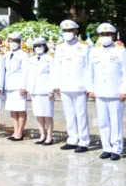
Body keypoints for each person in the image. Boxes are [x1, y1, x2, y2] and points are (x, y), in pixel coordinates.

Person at [88, 23, 125, 161]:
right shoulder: (93, 51)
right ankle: (106, 148)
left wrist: (124, 90)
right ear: (99, 36)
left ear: (113, 36)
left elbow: (125, 71)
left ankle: (116, 148)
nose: (105, 37)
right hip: (100, 92)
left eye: (108, 34)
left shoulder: (120, 51)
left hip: (116, 92)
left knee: (116, 122)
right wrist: (90, 88)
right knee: (103, 122)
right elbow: (89, 72)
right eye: (102, 35)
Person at [54, 19, 91, 153]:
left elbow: (88, 68)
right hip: (64, 85)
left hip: (80, 85)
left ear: (75, 32)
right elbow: (56, 67)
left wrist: (89, 86)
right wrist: (56, 84)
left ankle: (84, 141)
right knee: (69, 114)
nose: (67, 33)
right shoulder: (59, 47)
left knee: (81, 114)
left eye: (70, 31)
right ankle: (72, 139)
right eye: (65, 31)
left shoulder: (84, 47)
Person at [27, 37, 55, 146]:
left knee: (47, 114)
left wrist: (51, 90)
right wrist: (29, 90)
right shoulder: (31, 59)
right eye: (36, 46)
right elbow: (30, 76)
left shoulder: (49, 58)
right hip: (35, 91)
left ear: (45, 47)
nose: (38, 48)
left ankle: (49, 136)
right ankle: (42, 135)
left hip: (46, 90)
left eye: (40, 46)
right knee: (38, 114)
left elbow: (53, 75)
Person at [4, 32, 29, 141]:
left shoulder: (24, 54)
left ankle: (20, 132)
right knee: (13, 109)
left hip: (18, 86)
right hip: (9, 86)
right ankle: (15, 130)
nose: (13, 43)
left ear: (19, 42)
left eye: (16, 41)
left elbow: (25, 72)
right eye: (11, 41)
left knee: (20, 109)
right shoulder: (7, 54)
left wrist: (23, 86)